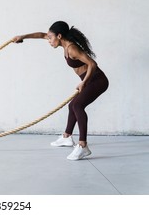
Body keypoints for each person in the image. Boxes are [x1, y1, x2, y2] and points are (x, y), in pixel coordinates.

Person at [12, 21, 109, 160]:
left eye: (51, 38)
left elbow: (92, 64)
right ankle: (67, 137)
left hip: (97, 80)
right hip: (89, 80)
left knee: (77, 105)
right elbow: (41, 35)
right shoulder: (61, 42)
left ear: (59, 36)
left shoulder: (71, 48)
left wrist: (84, 82)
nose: (49, 40)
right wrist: (22, 36)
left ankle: (83, 146)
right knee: (72, 106)